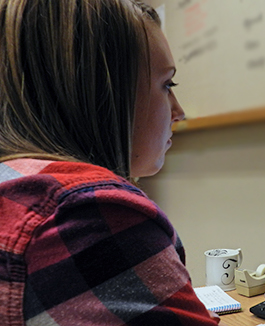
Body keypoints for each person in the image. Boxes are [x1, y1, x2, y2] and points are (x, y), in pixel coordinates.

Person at [0, 1, 221, 325]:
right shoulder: (84, 215)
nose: (179, 111)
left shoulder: (13, 181)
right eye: (167, 85)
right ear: (102, 91)